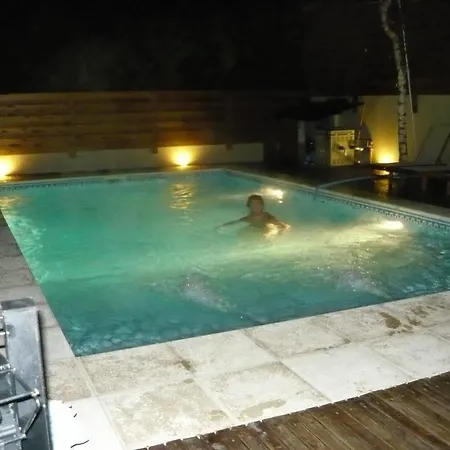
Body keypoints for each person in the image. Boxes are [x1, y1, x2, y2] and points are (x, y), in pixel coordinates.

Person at [216, 194, 290, 235]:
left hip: (263, 234)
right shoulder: (248, 218)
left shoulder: (267, 217)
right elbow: (236, 222)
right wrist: (222, 226)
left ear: (262, 205)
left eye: (257, 204)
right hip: (252, 232)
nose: (255, 206)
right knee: (241, 233)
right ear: (249, 206)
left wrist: (279, 232)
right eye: (252, 204)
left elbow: (282, 226)